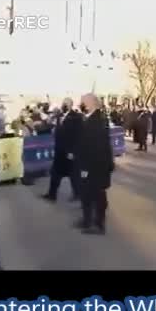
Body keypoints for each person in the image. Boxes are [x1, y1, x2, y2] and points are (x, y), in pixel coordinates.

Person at [73, 93, 114, 235]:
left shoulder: (97, 121)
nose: (81, 105)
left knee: (97, 195)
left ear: (90, 103)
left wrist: (85, 168)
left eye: (82, 102)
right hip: (93, 165)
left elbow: (96, 147)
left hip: (95, 166)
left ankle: (98, 224)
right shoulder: (91, 118)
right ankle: (87, 220)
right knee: (87, 194)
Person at [42, 97, 83, 202]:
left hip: (69, 152)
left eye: (66, 103)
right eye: (63, 103)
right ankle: (52, 195)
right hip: (59, 151)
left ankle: (78, 194)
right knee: (55, 173)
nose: (64, 105)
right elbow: (51, 126)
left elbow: (78, 136)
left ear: (70, 105)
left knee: (73, 175)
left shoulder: (76, 117)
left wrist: (73, 151)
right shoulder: (59, 116)